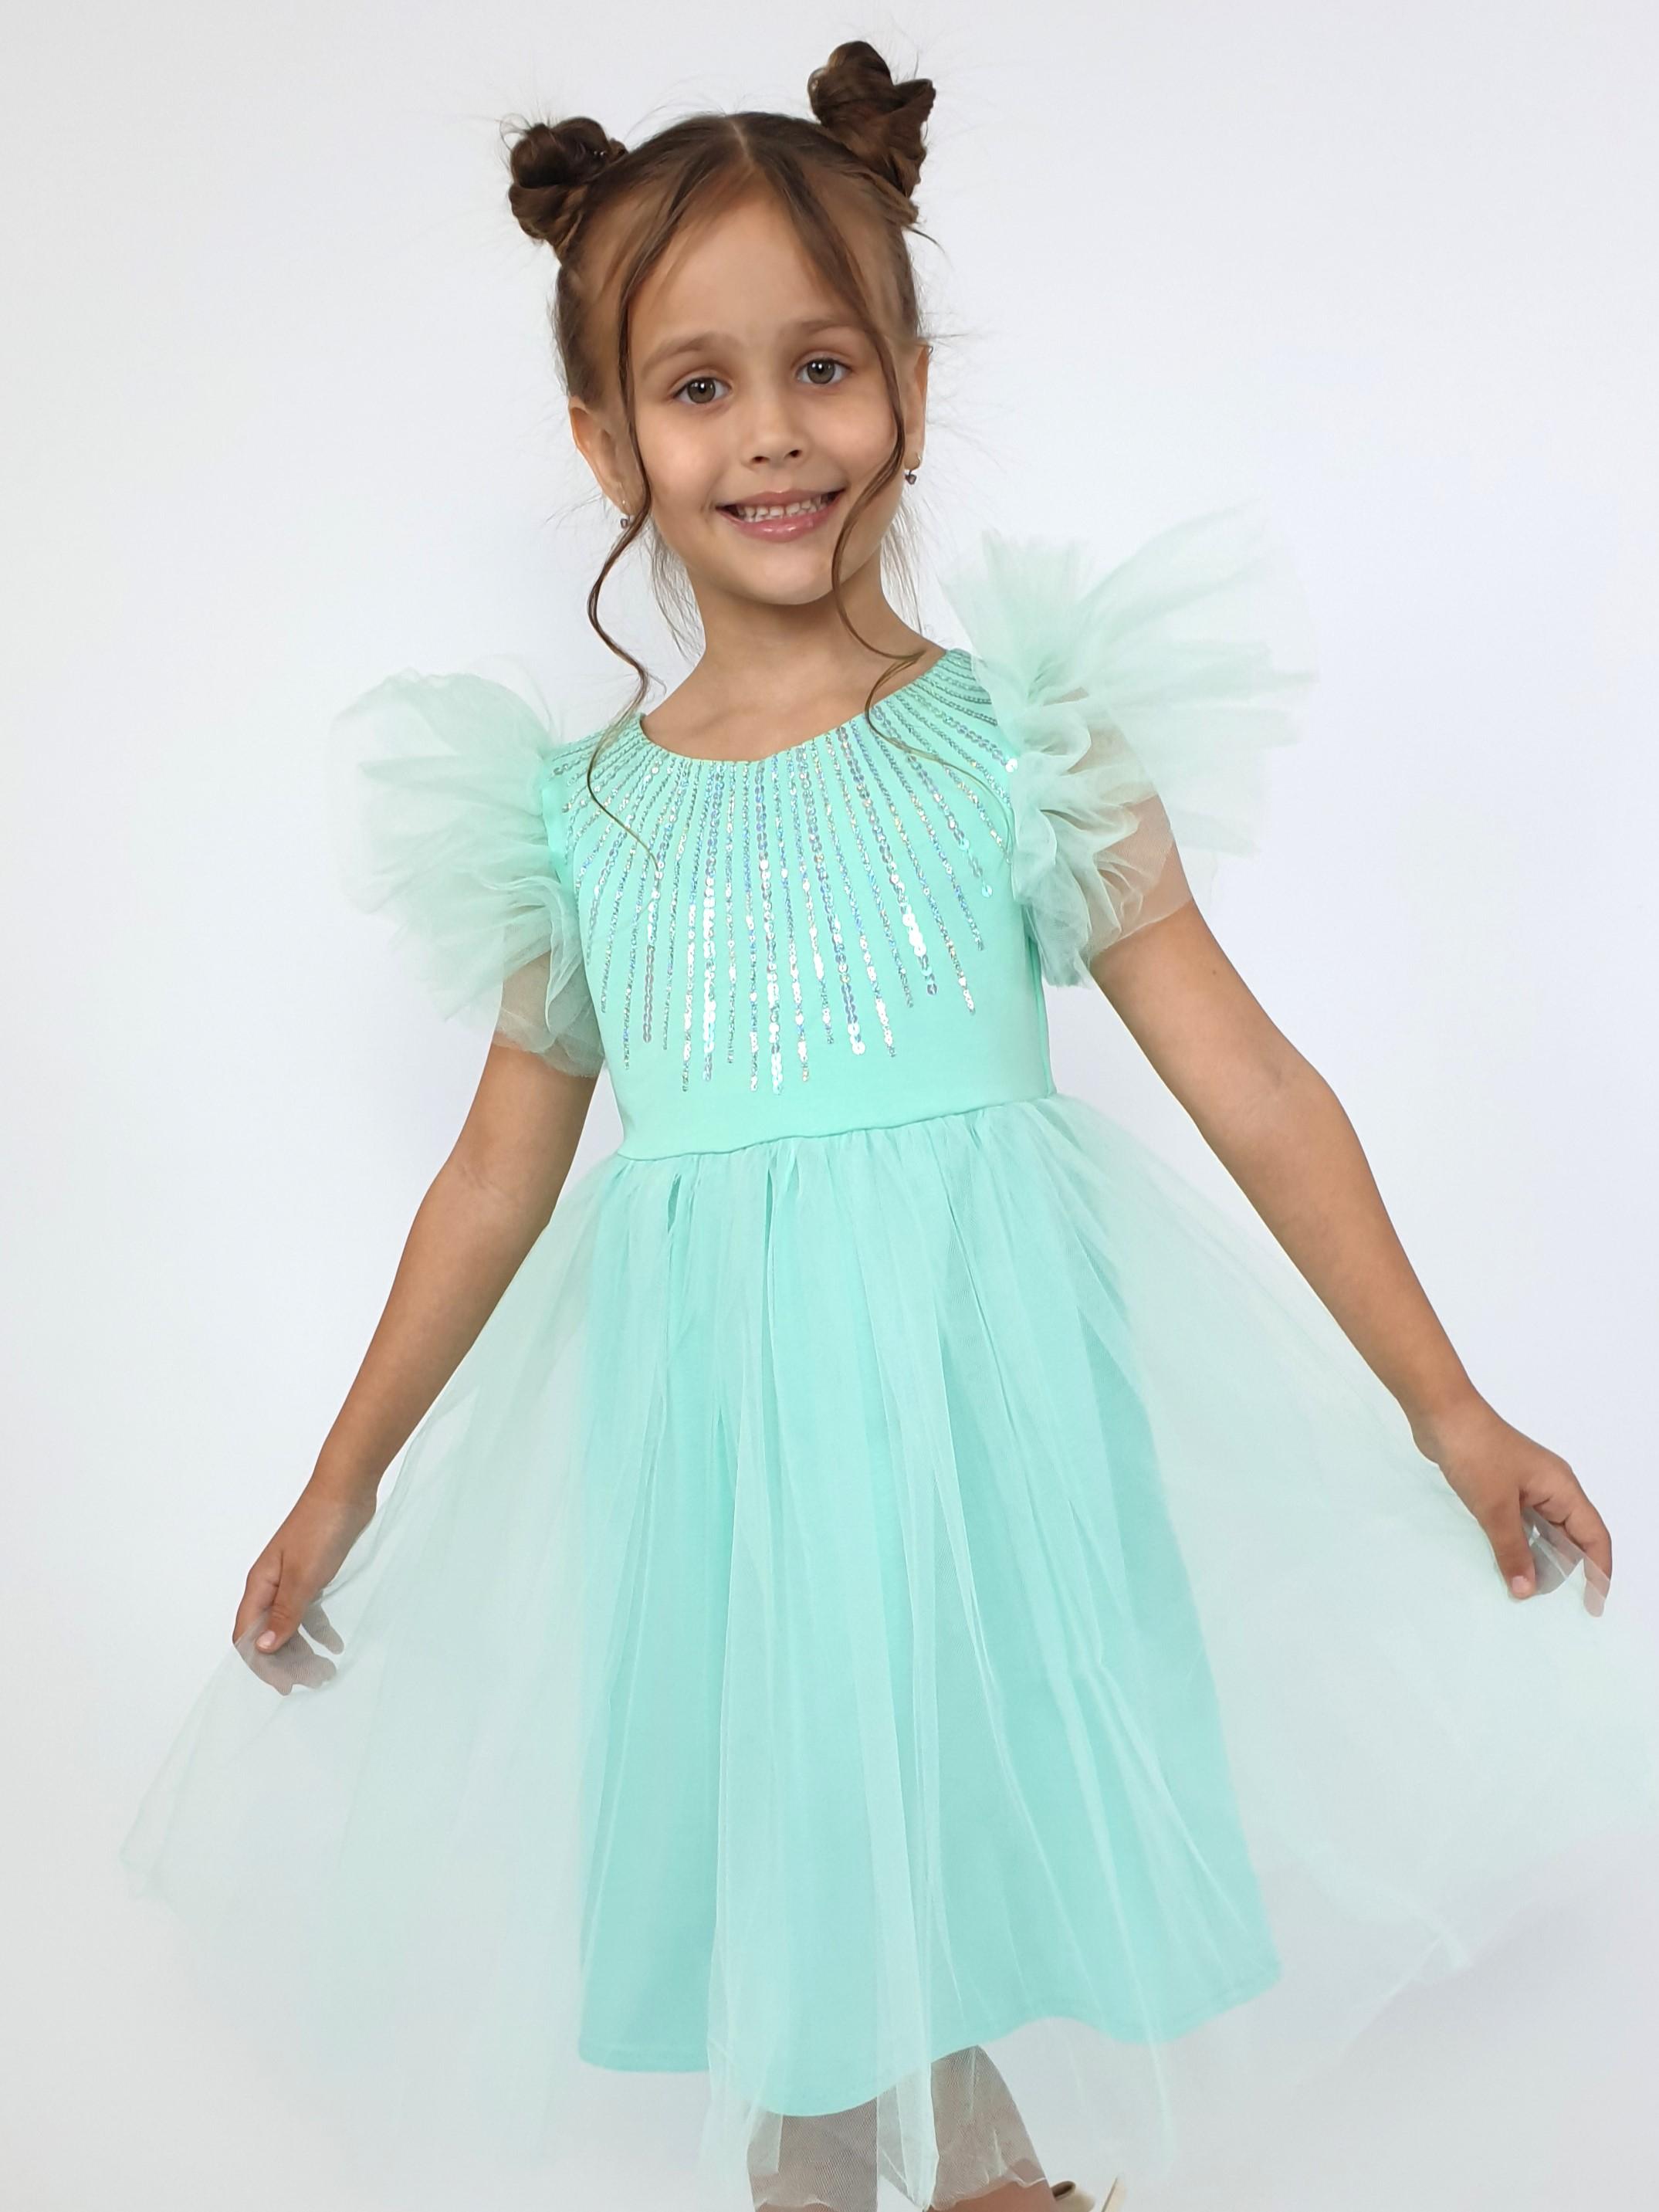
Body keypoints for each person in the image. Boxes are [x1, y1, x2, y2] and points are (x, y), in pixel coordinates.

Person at [119, 39, 1659, 2212]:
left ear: (909, 389)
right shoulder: (581, 824)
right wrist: (343, 1475)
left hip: (975, 1435)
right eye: (699, 386)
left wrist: (1449, 1407)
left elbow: (1246, 1076)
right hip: (726, 1466)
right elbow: (492, 1174)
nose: (771, 433)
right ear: (606, 438)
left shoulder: (1015, 740)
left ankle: (974, 2188)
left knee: (907, 1871)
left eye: (823, 367)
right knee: (803, 1881)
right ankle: (963, 2190)